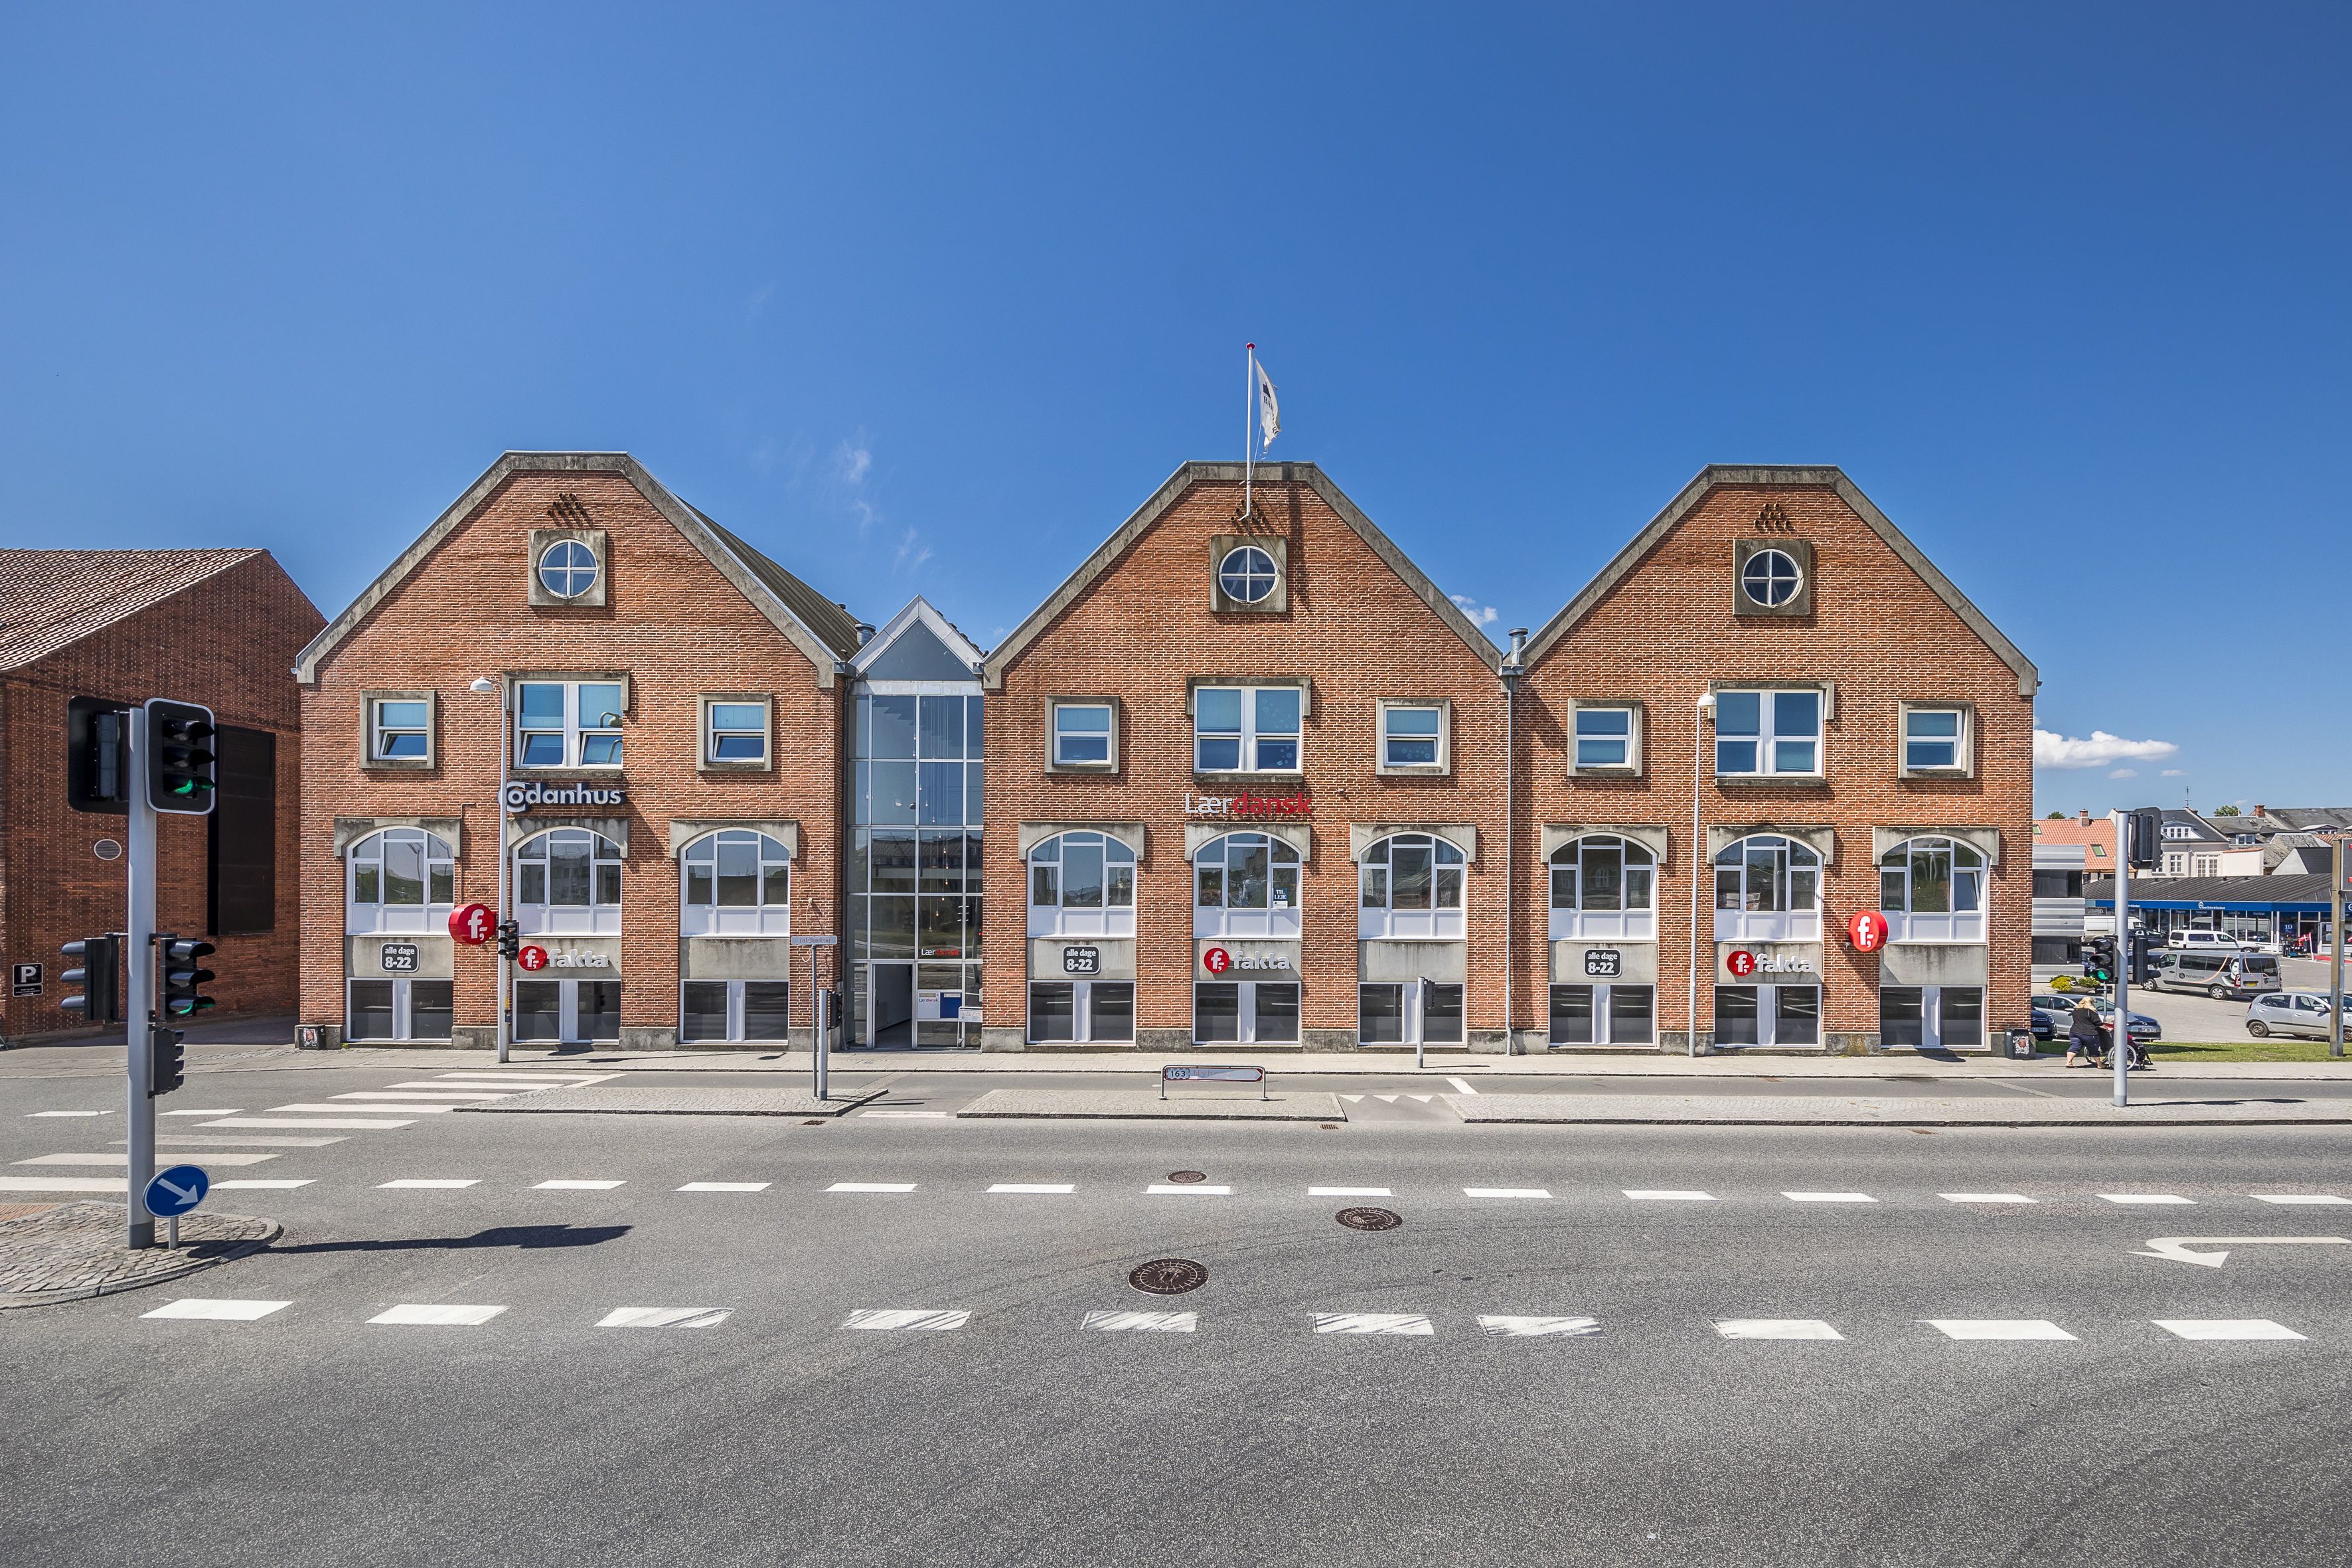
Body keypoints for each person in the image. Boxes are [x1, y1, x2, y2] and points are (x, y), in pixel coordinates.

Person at [2066, 999, 2104, 1067]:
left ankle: (2069, 1062)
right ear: (2091, 1003)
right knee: (2094, 1048)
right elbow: (2098, 1023)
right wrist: (2107, 1028)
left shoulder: (2076, 1010)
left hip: (2074, 1032)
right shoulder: (2091, 1011)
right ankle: (2100, 1065)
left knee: (2075, 1046)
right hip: (2089, 1033)